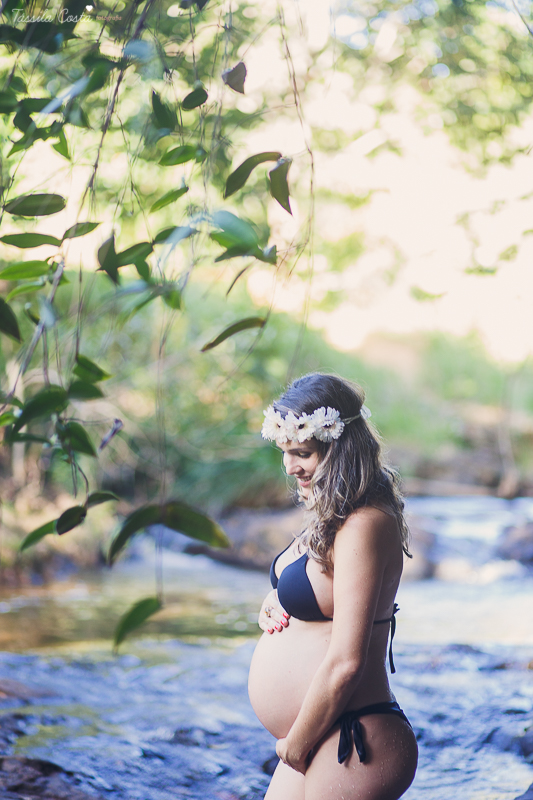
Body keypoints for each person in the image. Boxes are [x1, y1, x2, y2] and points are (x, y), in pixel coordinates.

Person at [248, 373, 418, 800]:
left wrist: (296, 745)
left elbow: (346, 662)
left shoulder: (365, 524)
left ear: (338, 448)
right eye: (285, 453)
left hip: (353, 737)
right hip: (323, 734)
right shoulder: (334, 514)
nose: (290, 467)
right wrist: (278, 599)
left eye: (302, 453)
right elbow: (323, 589)